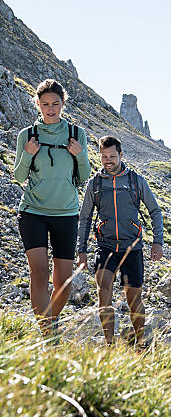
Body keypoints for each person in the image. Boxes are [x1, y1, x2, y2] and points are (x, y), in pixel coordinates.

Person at [14, 79, 91, 336]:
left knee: (64, 283)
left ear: (63, 104)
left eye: (55, 104)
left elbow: (83, 176)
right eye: (45, 104)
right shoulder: (27, 135)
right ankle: (48, 335)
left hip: (66, 214)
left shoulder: (76, 134)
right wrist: (28, 153)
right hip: (33, 212)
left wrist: (79, 154)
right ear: (37, 104)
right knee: (38, 272)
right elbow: (18, 176)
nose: (50, 109)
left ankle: (50, 323)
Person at [77, 135, 163, 347]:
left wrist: (157, 242)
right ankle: (109, 345)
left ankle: (141, 344)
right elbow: (85, 218)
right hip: (105, 247)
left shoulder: (135, 181)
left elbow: (155, 211)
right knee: (103, 291)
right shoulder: (94, 184)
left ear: (121, 155)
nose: (108, 161)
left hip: (132, 248)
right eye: (104, 156)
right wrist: (82, 250)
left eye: (112, 156)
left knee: (134, 300)